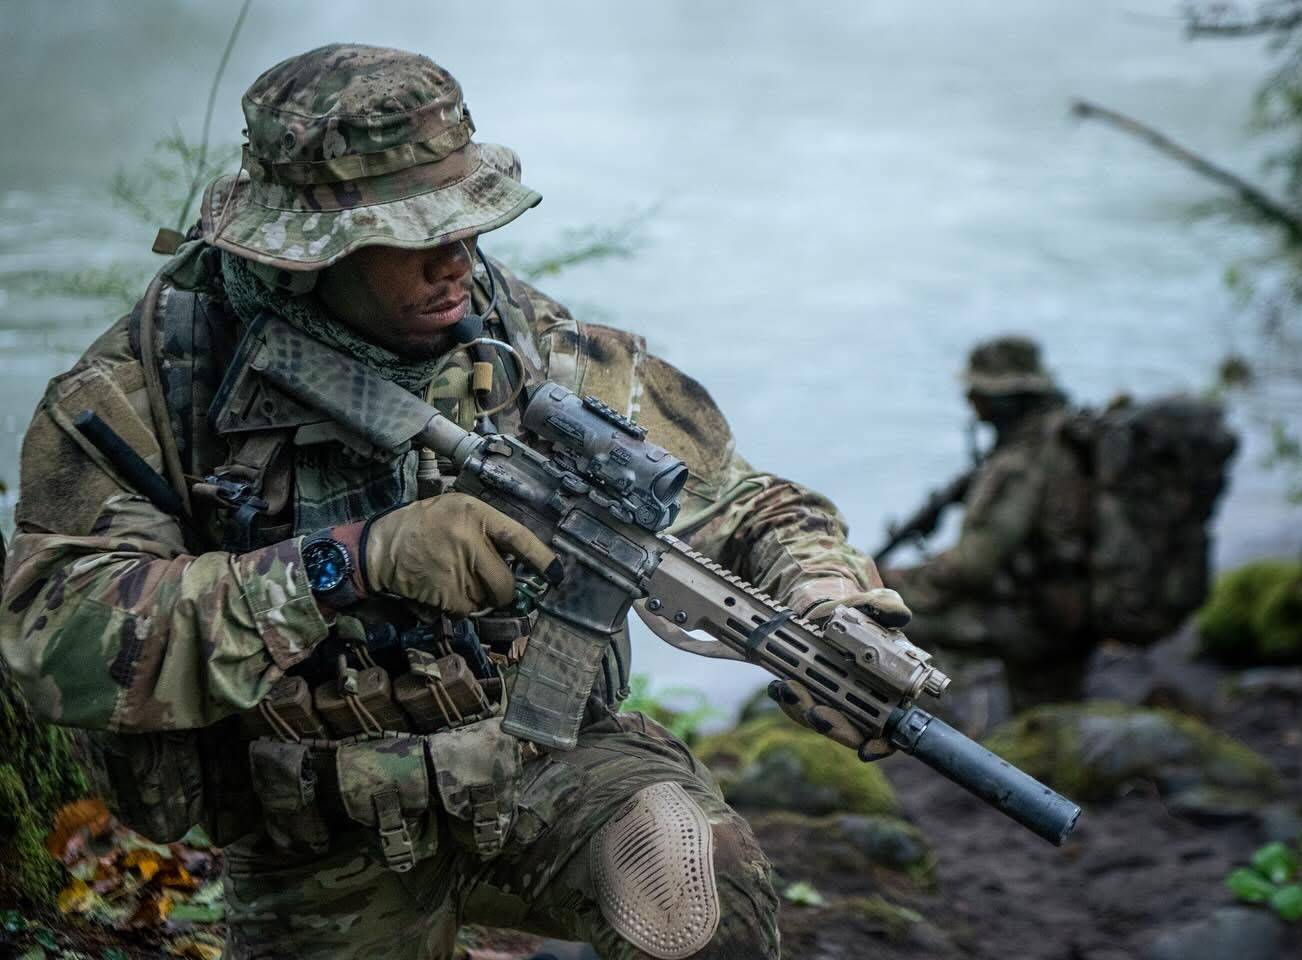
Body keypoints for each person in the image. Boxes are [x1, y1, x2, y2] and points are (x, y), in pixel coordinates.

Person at [0, 45, 911, 960]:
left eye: (468, 225)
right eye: (416, 237)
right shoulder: (146, 391)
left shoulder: (521, 342)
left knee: (694, 894)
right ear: (314, 254)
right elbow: (54, 638)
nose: (457, 261)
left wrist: (828, 602)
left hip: (545, 774)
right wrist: (351, 562)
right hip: (317, 830)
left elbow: (743, 504)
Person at [883, 336, 1091, 713]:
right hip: (1070, 605)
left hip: (1039, 618)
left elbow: (972, 567)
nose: (971, 403)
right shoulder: (1059, 436)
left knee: (885, 611)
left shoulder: (1018, 464)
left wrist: (893, 583)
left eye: (978, 392)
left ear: (1004, 399)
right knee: (1049, 713)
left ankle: (917, 718)